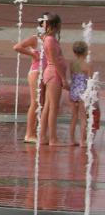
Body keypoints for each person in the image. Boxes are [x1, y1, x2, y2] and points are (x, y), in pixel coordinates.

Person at [14, 13, 50, 144]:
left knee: (44, 102)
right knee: (35, 102)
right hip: (36, 72)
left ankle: (39, 132)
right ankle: (29, 134)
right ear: (41, 24)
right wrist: (33, 54)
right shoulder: (36, 39)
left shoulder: (49, 38)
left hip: (46, 73)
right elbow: (17, 47)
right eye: (47, 22)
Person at [38, 14, 69, 146]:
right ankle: (53, 138)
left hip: (52, 74)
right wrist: (64, 79)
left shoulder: (49, 38)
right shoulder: (50, 40)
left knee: (48, 106)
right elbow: (54, 61)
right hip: (54, 74)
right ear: (55, 25)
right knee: (53, 108)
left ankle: (43, 136)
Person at [68, 40, 93, 147]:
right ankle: (83, 141)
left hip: (73, 91)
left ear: (74, 52)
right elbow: (90, 80)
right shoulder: (87, 65)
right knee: (83, 117)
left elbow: (72, 77)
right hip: (83, 92)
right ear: (86, 52)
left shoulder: (72, 64)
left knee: (74, 117)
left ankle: (72, 140)